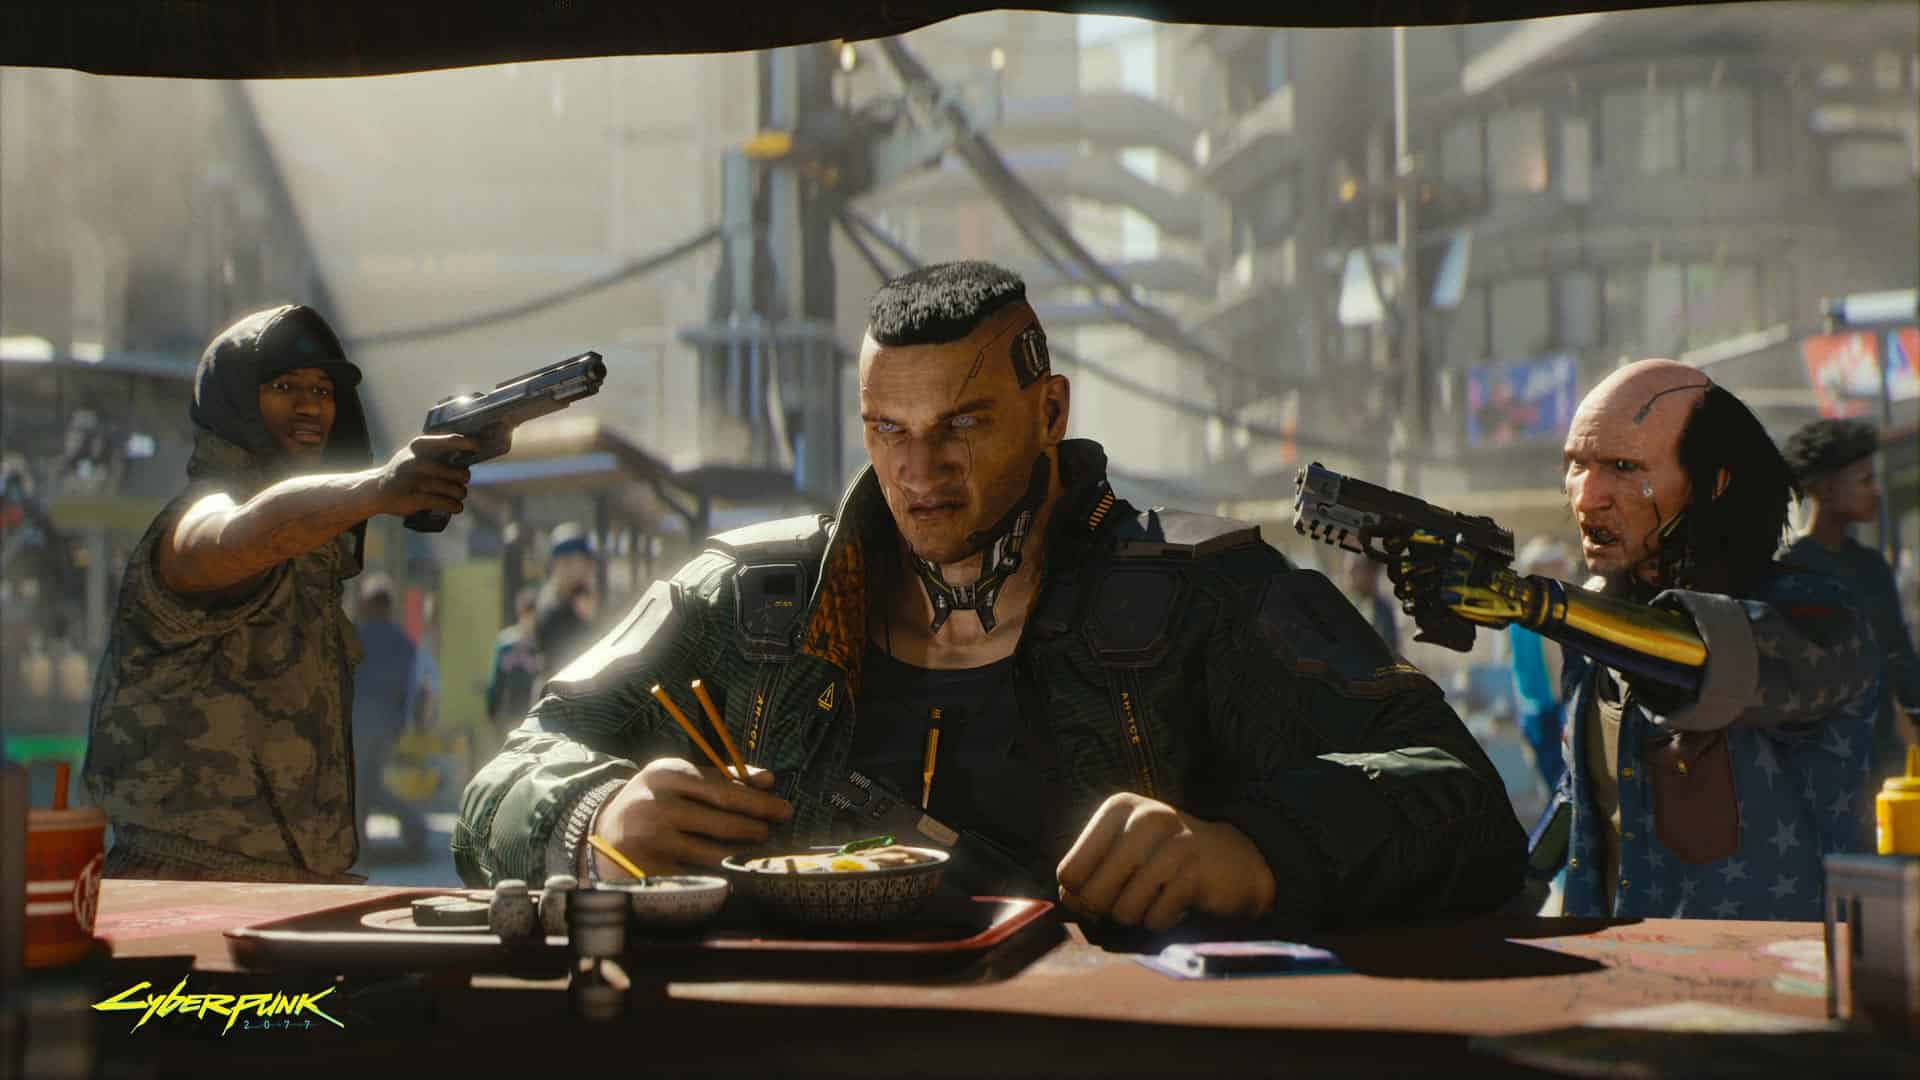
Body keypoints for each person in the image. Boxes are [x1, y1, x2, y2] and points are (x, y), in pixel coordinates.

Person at [457, 261, 1525, 934]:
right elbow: (508, 775)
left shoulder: (1207, 594)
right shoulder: (744, 600)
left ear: (1049, 410)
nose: (920, 470)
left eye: (963, 425)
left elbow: (1464, 803)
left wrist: (1248, 855)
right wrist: (595, 817)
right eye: (889, 430)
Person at [1394, 360, 1881, 920]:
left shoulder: (1819, 616)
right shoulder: (1593, 625)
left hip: (1776, 966)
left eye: (1624, 467)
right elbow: (1582, 795)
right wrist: (1517, 890)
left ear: (1713, 484)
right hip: (1614, 962)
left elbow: (1710, 659)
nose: (1587, 497)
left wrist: (1533, 604)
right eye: (1577, 465)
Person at [82, 304, 476, 883]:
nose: (310, 405)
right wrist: (377, 489)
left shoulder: (310, 543)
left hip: (285, 886)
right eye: (283, 387)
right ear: (237, 402)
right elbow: (229, 537)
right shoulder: (198, 513)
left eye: (322, 390)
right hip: (185, 885)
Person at [1782, 418, 1920, 841]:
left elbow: (1901, 659)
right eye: (1864, 480)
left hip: (1884, 758)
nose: (1876, 491)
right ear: (1825, 488)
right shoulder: (1789, 570)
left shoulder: (1872, 567)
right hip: (1818, 764)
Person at [351, 572, 418, 849]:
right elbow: (406, 691)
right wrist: (400, 724)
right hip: (387, 725)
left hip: (356, 723)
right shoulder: (405, 644)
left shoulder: (353, 637)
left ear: (366, 604)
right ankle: (413, 824)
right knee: (371, 785)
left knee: (357, 787)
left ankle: (359, 844)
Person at [1506, 538, 1572, 791]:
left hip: (1532, 713)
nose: (1566, 571)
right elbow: (1554, 665)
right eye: (1560, 565)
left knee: (1554, 789)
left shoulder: (1517, 610)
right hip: (1552, 714)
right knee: (1564, 789)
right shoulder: (1546, 611)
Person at [533, 522, 600, 687]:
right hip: (556, 687)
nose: (569, 569)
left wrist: (591, 620)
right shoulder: (548, 604)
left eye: (575, 561)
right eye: (563, 562)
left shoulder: (597, 601)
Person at [484, 585, 543, 738]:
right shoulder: (506, 643)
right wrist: (492, 709)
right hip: (510, 710)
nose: (530, 620)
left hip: (531, 710)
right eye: (527, 615)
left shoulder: (540, 643)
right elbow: (496, 680)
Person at [1344, 555, 1399, 653]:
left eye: (1356, 569)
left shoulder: (1382, 609)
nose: (1350, 575)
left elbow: (1390, 647)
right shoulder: (1349, 605)